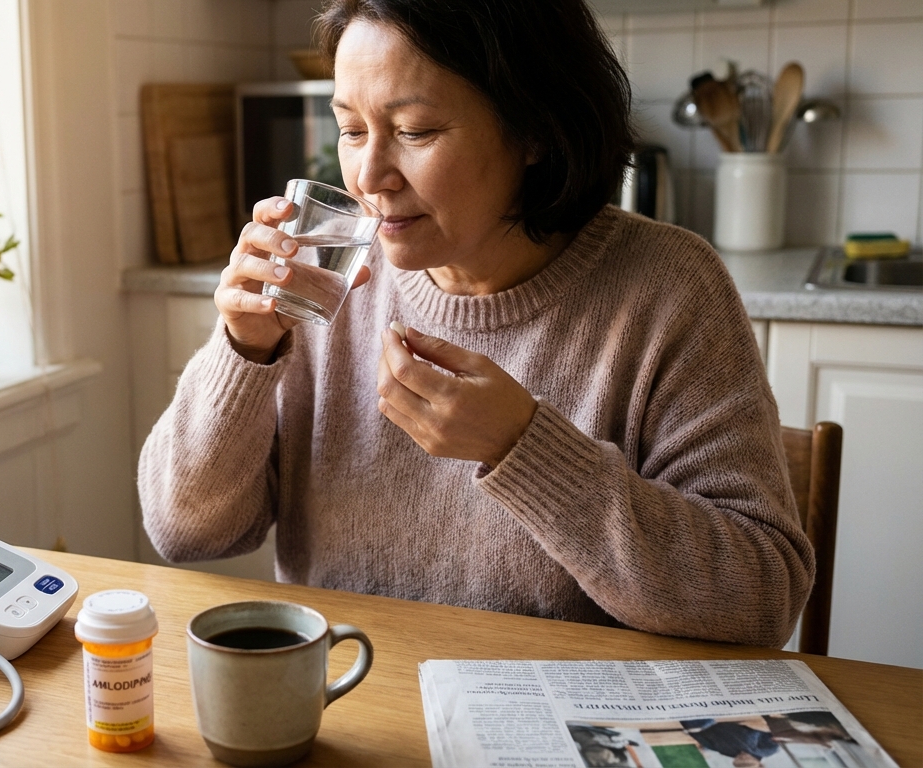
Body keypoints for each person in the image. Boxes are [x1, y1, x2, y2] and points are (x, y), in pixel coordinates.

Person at [138, 0, 814, 646]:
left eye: (415, 131)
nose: (370, 175)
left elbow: (760, 597)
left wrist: (525, 448)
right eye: (350, 129)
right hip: (355, 701)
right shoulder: (325, 280)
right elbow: (186, 532)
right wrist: (244, 351)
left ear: (535, 130)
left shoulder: (667, 288)